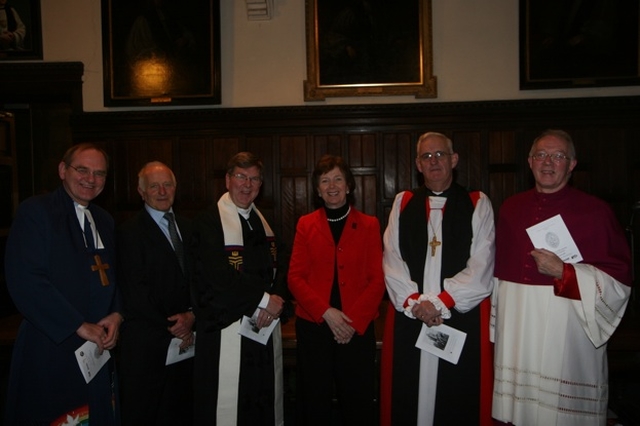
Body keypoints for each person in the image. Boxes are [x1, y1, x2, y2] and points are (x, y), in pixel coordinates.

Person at [491, 129, 632, 426]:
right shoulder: (510, 209)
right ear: (529, 162)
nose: (548, 162)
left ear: (572, 164)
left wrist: (565, 272)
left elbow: (619, 282)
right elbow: (499, 277)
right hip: (520, 328)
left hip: (569, 328)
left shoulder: (596, 212)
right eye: (541, 155)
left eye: (558, 156)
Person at [380, 132, 496, 426]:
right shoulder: (403, 203)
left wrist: (441, 302)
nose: (434, 161)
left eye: (440, 154)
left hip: (457, 314)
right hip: (412, 315)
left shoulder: (477, 202)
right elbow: (391, 257)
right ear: (417, 164)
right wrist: (413, 301)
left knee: (458, 398)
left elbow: (483, 264)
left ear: (454, 160)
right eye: (426, 156)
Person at [4, 143, 123, 425]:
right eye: (82, 170)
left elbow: (115, 277)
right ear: (62, 170)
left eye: (99, 173)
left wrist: (117, 315)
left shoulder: (104, 220)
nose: (90, 179)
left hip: (97, 347)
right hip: (51, 343)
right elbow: (27, 280)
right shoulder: (36, 212)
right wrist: (78, 325)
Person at [190, 151, 290, 426]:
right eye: (241, 177)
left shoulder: (263, 222)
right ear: (227, 180)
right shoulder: (208, 221)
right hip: (225, 329)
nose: (247, 184)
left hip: (262, 330)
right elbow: (214, 275)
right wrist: (263, 299)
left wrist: (277, 299)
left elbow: (282, 263)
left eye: (255, 178)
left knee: (262, 399)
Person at [288, 155, 386, 425]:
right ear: (317, 190)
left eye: (338, 179)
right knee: (313, 401)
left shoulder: (369, 225)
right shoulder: (306, 224)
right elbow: (295, 277)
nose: (332, 185)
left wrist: (350, 322)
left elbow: (377, 280)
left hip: (356, 329)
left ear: (349, 185)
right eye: (325, 180)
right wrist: (327, 312)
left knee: (357, 401)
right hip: (314, 327)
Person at [116, 161, 195, 425]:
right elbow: (135, 292)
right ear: (141, 191)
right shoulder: (128, 232)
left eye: (168, 184)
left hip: (188, 345)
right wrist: (176, 324)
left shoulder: (190, 227)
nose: (162, 191)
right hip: (148, 348)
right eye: (154, 186)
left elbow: (202, 280)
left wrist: (192, 316)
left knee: (183, 412)